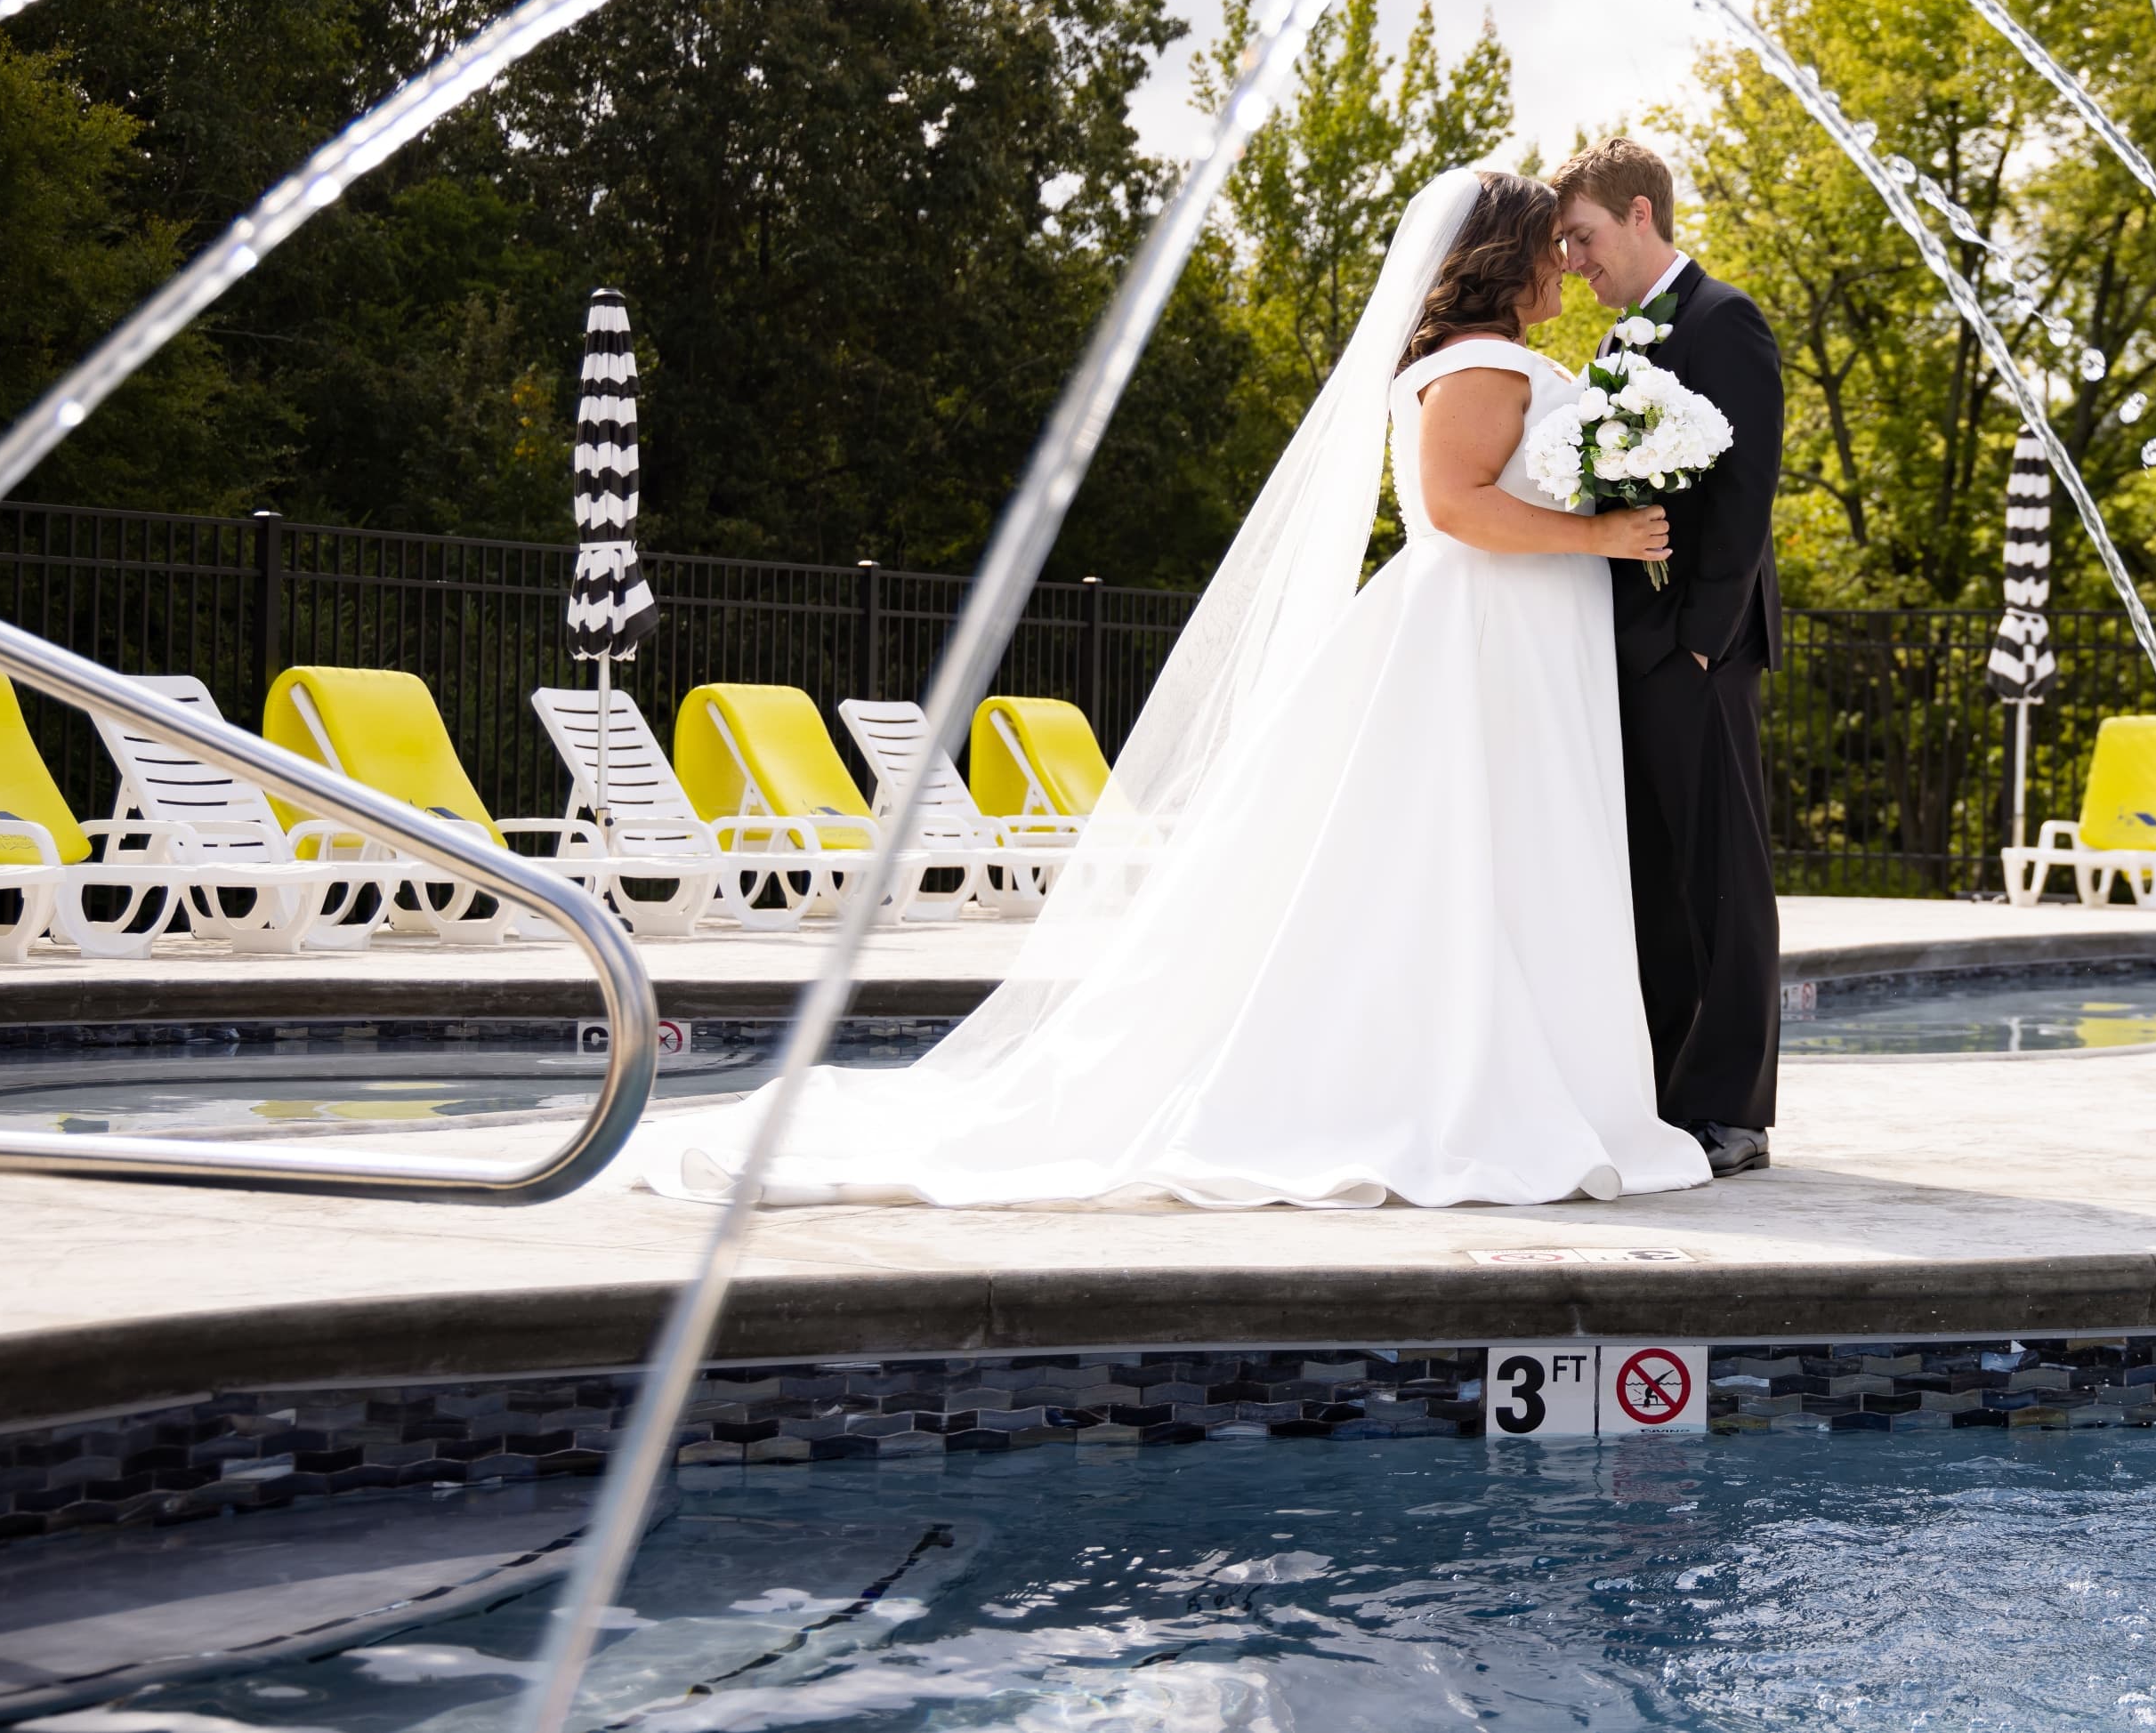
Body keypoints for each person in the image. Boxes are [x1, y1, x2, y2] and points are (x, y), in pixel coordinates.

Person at [630, 171, 1710, 1208]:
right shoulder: (1477, 364)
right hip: (1480, 641)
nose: (1565, 269)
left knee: (1490, 860)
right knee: (1462, 858)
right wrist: (1601, 532)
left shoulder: (1493, 357)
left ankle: (1514, 1077)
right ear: (1500, 258)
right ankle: (1458, 1089)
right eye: (1548, 250)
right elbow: (1457, 507)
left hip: (1515, 642)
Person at [1552, 140, 1783, 1177]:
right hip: (1628, 648)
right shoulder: (1620, 343)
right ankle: (1665, 1094)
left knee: (1721, 879)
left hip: (1697, 651)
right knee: (1653, 881)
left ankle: (1733, 1109)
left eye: (1584, 236)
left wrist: (1697, 645)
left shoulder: (1720, 320)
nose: (1573, 259)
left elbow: (1743, 499)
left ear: (1639, 214)